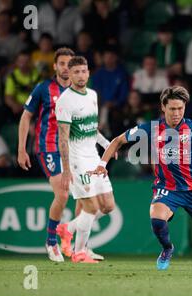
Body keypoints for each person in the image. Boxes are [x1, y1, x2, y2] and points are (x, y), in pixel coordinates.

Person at [89, 86, 192, 272]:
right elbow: (118, 141)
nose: (176, 113)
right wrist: (102, 164)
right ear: (163, 107)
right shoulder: (151, 128)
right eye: (172, 109)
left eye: (180, 108)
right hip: (166, 187)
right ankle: (167, 249)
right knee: (157, 217)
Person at [17, 48, 110, 262]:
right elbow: (25, 117)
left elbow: (87, 125)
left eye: (70, 64)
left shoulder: (83, 93)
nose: (66, 69)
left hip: (78, 150)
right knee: (63, 193)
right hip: (50, 147)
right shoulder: (44, 89)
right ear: (55, 67)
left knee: (84, 196)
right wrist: (21, 148)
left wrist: (105, 143)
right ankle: (51, 242)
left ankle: (81, 247)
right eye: (62, 64)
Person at [56, 56, 116, 263]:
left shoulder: (92, 95)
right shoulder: (65, 101)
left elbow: (91, 127)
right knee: (90, 207)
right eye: (76, 72)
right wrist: (66, 170)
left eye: (84, 71)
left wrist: (106, 143)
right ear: (69, 75)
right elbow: (62, 137)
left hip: (94, 157)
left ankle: (68, 228)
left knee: (108, 206)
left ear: (88, 72)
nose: (81, 75)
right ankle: (80, 252)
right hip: (77, 160)